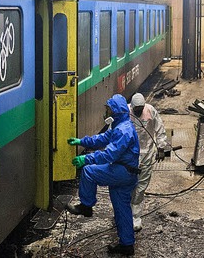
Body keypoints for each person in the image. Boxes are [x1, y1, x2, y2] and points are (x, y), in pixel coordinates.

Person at [65, 94, 140, 256]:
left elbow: (109, 155)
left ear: (115, 111)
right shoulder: (120, 125)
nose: (106, 112)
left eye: (108, 109)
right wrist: (82, 141)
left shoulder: (123, 130)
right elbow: (103, 139)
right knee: (122, 209)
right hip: (127, 173)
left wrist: (87, 158)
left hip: (123, 172)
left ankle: (86, 206)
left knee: (89, 171)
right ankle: (127, 245)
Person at [128, 93, 167, 232]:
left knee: (141, 186)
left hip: (147, 155)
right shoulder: (125, 112)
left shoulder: (150, 110)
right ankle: (124, 212)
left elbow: (160, 129)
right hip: (130, 156)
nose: (139, 112)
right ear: (132, 107)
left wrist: (161, 147)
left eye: (141, 109)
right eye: (136, 109)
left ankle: (136, 216)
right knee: (128, 185)